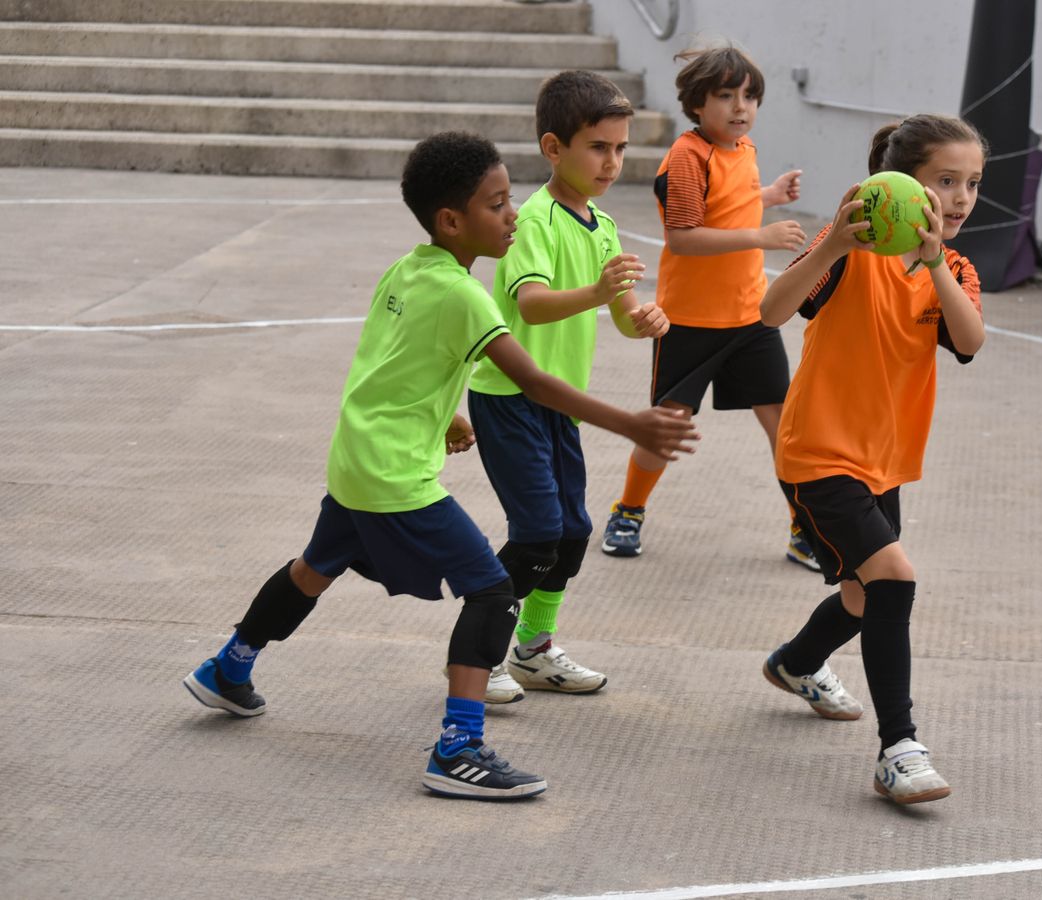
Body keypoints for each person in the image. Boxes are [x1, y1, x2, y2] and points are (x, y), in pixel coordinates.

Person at [181, 132, 698, 800]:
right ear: (452, 221)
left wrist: (444, 412)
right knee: (489, 589)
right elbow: (534, 383)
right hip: (395, 475)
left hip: (356, 458)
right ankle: (457, 747)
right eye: (497, 204)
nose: (512, 214)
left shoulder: (409, 269)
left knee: (314, 568)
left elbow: (390, 357)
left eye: (511, 199)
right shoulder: (467, 298)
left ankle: (229, 667)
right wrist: (630, 421)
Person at [758, 115, 986, 805]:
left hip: (883, 461)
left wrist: (937, 264)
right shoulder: (850, 257)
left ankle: (796, 664)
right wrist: (829, 242)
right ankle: (899, 748)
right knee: (892, 578)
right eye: (945, 181)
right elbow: (771, 311)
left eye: (972, 183)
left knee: (862, 597)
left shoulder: (956, 269)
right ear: (899, 186)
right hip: (818, 451)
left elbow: (970, 341)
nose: (960, 197)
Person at [463, 70, 666, 699]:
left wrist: (645, 320)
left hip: (559, 406)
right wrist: (600, 292)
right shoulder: (534, 221)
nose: (612, 162)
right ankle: (480, 653)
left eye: (621, 148)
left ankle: (534, 649)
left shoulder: (602, 228)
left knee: (572, 532)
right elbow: (533, 304)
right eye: (598, 147)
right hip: (510, 398)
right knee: (536, 534)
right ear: (555, 149)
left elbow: (622, 316)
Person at [596, 46, 820, 571]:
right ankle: (628, 509)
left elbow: (728, 203)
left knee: (783, 423)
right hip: (691, 322)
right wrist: (761, 235)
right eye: (725, 96)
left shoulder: (743, 149)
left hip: (751, 317)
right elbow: (685, 236)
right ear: (697, 104)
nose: (740, 107)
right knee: (668, 422)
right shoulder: (686, 156)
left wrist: (768, 195)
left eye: (750, 96)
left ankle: (802, 526)